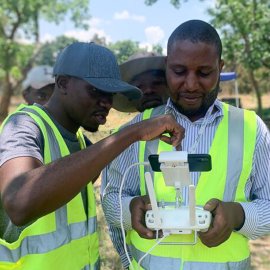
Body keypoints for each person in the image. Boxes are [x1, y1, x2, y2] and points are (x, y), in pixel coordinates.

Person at [0, 42, 185, 270]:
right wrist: (133, 133)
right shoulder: (24, 125)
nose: (107, 104)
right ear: (63, 83)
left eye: (110, 95)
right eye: (96, 91)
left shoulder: (79, 141)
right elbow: (19, 203)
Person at [101, 20, 270, 269]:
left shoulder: (250, 128)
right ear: (167, 67)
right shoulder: (135, 130)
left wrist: (238, 215)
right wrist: (129, 210)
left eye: (204, 73)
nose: (191, 84)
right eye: (179, 72)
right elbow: (111, 198)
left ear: (220, 68)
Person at [101, 51, 169, 268]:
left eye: (156, 83)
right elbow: (112, 201)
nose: (148, 90)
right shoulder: (122, 138)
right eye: (139, 86)